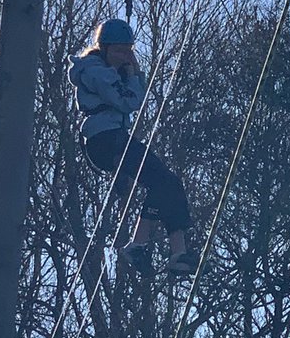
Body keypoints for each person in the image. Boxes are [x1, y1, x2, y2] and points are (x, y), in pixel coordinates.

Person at [68, 18, 199, 277]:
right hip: (104, 140)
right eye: (118, 51)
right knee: (162, 181)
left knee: (169, 183)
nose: (124, 56)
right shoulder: (96, 71)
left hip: (113, 137)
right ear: (103, 49)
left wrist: (130, 75)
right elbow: (129, 101)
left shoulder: (109, 71)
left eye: (128, 50)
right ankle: (138, 244)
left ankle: (178, 251)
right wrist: (134, 76)